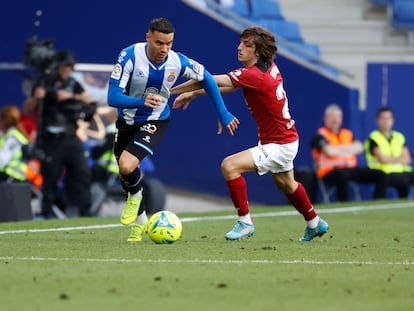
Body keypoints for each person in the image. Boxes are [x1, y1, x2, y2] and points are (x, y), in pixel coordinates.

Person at [171, 25, 328, 242]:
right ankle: (315, 222)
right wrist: (194, 94)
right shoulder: (265, 68)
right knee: (286, 184)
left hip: (279, 144)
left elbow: (210, 79)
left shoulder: (255, 75)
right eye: (241, 42)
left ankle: (245, 222)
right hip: (285, 138)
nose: (239, 47)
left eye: (247, 45)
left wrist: (172, 90)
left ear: (258, 51)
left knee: (229, 166)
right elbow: (232, 86)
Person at [107, 17, 239, 242]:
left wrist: (222, 112)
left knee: (127, 164)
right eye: (159, 43)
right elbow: (112, 97)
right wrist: (140, 102)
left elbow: (206, 77)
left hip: (156, 119)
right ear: (148, 37)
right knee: (125, 173)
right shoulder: (129, 56)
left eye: (169, 43)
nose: (164, 49)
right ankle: (139, 225)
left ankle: (136, 197)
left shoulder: (177, 61)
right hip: (127, 121)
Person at [23, 50, 97, 219]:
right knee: (50, 178)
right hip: (51, 140)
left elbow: (90, 101)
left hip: (71, 136)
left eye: (70, 67)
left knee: (82, 173)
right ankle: (47, 213)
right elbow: (27, 108)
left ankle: (86, 213)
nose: (67, 70)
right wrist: (37, 97)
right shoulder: (44, 84)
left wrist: (71, 96)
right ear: (57, 67)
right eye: (64, 67)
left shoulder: (73, 85)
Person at [311, 104, 387, 202]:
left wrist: (337, 150)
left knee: (380, 174)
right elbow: (330, 151)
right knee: (342, 175)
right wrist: (349, 149)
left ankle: (379, 203)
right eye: (332, 116)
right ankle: (343, 203)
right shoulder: (320, 135)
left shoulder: (347, 134)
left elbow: (360, 147)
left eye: (338, 116)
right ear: (325, 118)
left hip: (351, 169)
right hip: (329, 171)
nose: (335, 119)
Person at [365, 107, 414, 198]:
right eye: (383, 118)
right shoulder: (374, 137)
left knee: (405, 177)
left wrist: (391, 159)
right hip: (383, 171)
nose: (386, 121)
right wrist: (399, 159)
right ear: (378, 120)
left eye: (388, 118)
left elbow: (407, 159)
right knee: (400, 179)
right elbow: (382, 159)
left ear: (393, 120)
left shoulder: (399, 137)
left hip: (401, 170)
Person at [0, 105, 30, 183]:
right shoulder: (5, 135)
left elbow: (2, 161)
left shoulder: (13, 138)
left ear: (5, 120)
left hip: (12, 179)